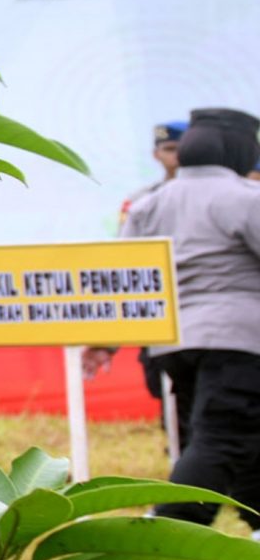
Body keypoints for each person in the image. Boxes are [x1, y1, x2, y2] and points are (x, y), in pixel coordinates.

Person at [88, 107, 260, 530]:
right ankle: (166, 529)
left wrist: (106, 341)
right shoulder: (246, 198)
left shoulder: (149, 204)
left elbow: (129, 276)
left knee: (239, 438)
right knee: (224, 438)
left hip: (172, 341)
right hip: (237, 339)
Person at [120, 121, 190, 451]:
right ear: (156, 154)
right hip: (160, 309)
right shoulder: (140, 201)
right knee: (159, 383)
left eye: (181, 148)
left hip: (200, 304)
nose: (175, 156)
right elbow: (126, 254)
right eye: (169, 149)